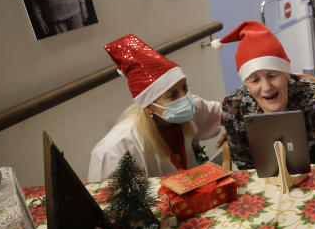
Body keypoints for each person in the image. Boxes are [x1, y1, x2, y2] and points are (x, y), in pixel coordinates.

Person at [88, 34, 225, 181]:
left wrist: (235, 130)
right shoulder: (116, 150)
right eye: (172, 95)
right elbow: (109, 201)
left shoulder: (193, 107)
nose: (185, 98)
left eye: (185, 87)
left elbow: (229, 113)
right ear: (147, 106)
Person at [217, 21, 315, 170]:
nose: (266, 87)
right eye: (255, 80)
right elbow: (244, 165)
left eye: (272, 75)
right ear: (246, 83)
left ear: (286, 74)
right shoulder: (234, 106)